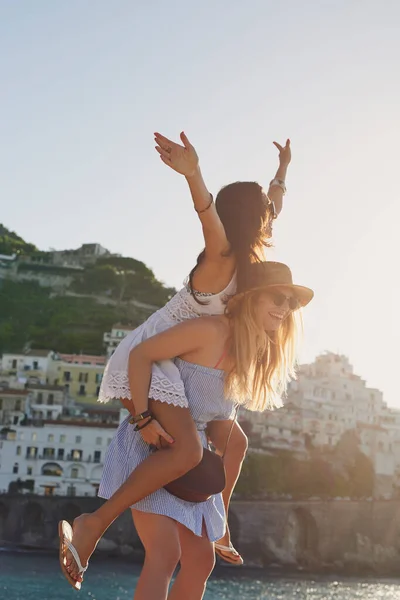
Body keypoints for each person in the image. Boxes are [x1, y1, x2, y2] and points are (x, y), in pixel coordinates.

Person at [59, 261, 314, 598]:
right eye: (277, 298)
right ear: (251, 298)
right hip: (155, 449)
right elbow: (141, 355)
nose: (285, 309)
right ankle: (91, 523)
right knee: (165, 555)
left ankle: (219, 529)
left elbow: (219, 422)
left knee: (200, 563)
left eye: (290, 303)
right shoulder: (211, 330)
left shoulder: (251, 353)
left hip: (188, 465)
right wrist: (144, 419)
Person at [99, 131, 292, 566]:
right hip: (157, 353)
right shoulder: (222, 257)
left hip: (188, 357)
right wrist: (194, 173)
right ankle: (99, 522)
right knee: (187, 449)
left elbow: (275, 206)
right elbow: (208, 216)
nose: (270, 215)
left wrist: (282, 170)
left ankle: (218, 526)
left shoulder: (252, 264)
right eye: (262, 210)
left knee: (236, 443)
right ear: (246, 218)